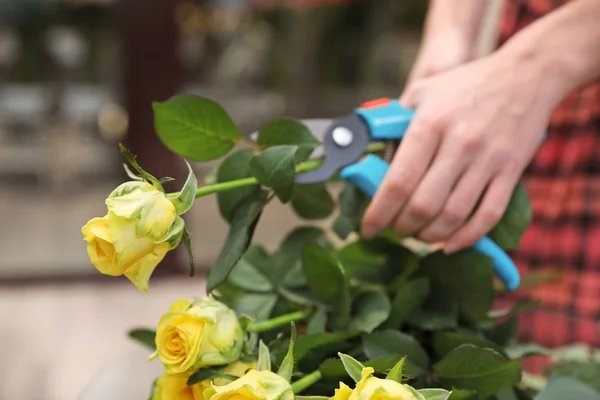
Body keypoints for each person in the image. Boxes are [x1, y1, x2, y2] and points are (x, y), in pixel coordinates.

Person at [361, 0, 600, 371]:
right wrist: (449, 41)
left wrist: (539, 62)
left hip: (534, 78)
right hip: (514, 120)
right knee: (503, 353)